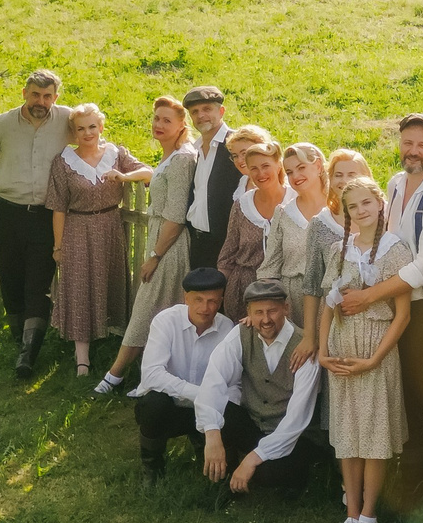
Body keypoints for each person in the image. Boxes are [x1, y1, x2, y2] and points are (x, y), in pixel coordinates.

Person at [335, 115, 423, 504]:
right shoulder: (395, 183)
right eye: (407, 143)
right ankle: (411, 478)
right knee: (402, 393)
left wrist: (368, 296)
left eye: (422, 144)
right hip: (394, 304)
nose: (413, 151)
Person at [317, 175, 410, 523]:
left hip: (375, 345)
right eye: (353, 207)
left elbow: (402, 314)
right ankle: (350, 514)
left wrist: (374, 360)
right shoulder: (339, 249)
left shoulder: (395, 248)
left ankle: (369, 516)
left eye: (366, 203)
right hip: (342, 344)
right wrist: (323, 352)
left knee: (372, 434)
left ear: (380, 204)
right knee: (348, 433)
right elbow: (328, 304)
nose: (361, 211)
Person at [0, 71, 69, 374]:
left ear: (56, 96)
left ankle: (28, 354)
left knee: (39, 283)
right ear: (24, 93)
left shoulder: (66, 120)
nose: (41, 102)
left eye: (47, 95)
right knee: (11, 278)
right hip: (8, 212)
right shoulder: (4, 124)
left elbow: (94, 140)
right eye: (36, 94)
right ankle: (18, 336)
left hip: (45, 216)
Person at [94, 98, 196, 397]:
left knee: (145, 310)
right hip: (160, 240)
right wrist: (127, 176)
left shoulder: (182, 159)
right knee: (161, 312)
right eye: (155, 118)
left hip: (170, 245)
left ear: (181, 125)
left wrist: (155, 256)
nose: (158, 125)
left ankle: (115, 375)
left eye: (166, 120)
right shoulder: (172, 156)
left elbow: (176, 217)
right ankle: (154, 379)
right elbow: (156, 176)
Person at [197, 282, 322, 499]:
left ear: (286, 308)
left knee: (266, 475)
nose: (266, 319)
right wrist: (212, 435)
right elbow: (213, 381)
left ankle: (295, 476)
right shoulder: (240, 335)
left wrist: (252, 459)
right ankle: (227, 474)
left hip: (294, 436)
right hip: (255, 423)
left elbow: (297, 420)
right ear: (249, 313)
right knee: (215, 417)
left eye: (272, 311)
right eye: (259, 313)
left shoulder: (304, 347)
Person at [46, 103, 146, 378]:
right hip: (78, 229)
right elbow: (58, 207)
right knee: (79, 287)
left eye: (92, 126)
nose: (87, 132)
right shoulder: (64, 161)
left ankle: (115, 341)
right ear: (74, 132)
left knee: (109, 282)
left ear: (101, 127)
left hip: (110, 227)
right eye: (81, 128)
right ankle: (82, 359)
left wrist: (124, 175)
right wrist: (58, 246)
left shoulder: (116, 154)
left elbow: (149, 173)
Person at [129, 269, 236, 478]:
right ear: (185, 297)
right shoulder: (165, 321)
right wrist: (200, 394)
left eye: (213, 301)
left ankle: (208, 448)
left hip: (208, 409)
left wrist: (207, 404)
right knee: (153, 403)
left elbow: (227, 381)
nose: (205, 308)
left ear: (221, 300)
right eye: (198, 299)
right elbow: (151, 375)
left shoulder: (227, 328)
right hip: (170, 407)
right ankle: (152, 466)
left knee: (232, 409)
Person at [214, 128, 286, 320]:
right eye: (253, 168)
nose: (260, 173)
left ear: (278, 165)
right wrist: (215, 294)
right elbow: (228, 254)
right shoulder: (241, 204)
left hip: (284, 291)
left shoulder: (295, 202)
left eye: (265, 166)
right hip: (243, 290)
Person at [279, 142, 333, 368]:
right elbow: (270, 265)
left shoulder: (339, 208)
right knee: (301, 367)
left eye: (301, 168)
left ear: (318, 166)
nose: (295, 176)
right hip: (292, 301)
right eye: (289, 172)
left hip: (330, 301)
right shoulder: (283, 212)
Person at [183, 86, 239, 275]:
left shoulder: (235, 145)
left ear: (221, 111)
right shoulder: (195, 149)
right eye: (195, 112)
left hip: (226, 245)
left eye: (207, 109)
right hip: (198, 243)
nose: (201, 116)